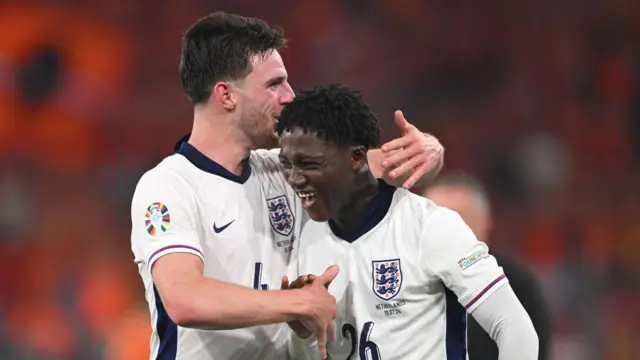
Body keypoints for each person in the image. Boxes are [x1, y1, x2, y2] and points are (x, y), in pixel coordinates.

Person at [130, 12, 445, 360]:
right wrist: (297, 302)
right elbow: (185, 300)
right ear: (226, 95)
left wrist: (430, 149)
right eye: (274, 84)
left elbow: (394, 165)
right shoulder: (168, 187)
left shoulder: (283, 170)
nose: (290, 96)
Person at [279, 84, 538, 360]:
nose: (294, 178)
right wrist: (302, 330)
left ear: (356, 157)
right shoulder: (306, 238)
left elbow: (514, 328)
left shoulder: (429, 226)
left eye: (309, 164)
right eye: (287, 164)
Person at [424, 172, 550, 360]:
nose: (446, 231)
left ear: (486, 221)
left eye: (458, 219)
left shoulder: (517, 285)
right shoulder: (399, 278)